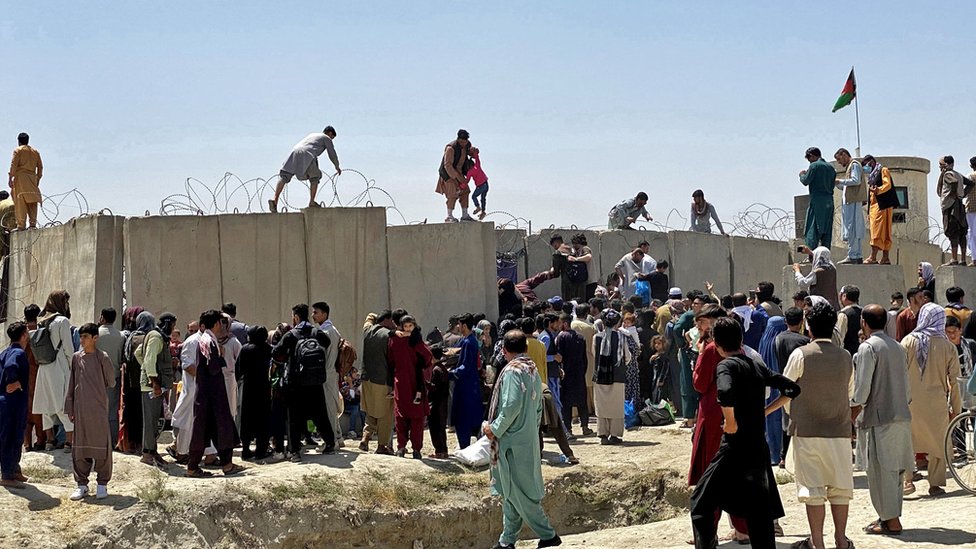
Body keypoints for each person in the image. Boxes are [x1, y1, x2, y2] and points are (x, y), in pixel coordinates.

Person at [689, 317, 800, 549]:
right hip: (757, 448)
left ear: (717, 344)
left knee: (700, 503)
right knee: (759, 512)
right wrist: (766, 410)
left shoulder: (726, 366)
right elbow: (792, 389)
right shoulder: (756, 365)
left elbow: (725, 392)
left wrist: (730, 422)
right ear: (741, 340)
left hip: (733, 446)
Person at [782, 302, 855, 549]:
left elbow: (786, 390)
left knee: (812, 490)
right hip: (839, 431)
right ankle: (841, 540)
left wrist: (794, 414)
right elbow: (850, 392)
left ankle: (817, 542)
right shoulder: (846, 357)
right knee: (840, 488)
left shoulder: (800, 355)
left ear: (808, 327)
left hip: (807, 431)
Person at [484, 330, 561, 549]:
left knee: (517, 492)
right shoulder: (531, 368)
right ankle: (507, 539)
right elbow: (537, 408)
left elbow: (510, 406)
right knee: (510, 491)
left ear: (504, 350)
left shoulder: (512, 371)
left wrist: (494, 429)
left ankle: (548, 534)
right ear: (526, 348)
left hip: (510, 442)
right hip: (526, 438)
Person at [852, 305, 913, 536]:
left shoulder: (868, 348)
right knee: (895, 472)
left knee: (881, 473)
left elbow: (862, 391)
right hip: (901, 416)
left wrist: (851, 408)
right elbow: (907, 389)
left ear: (864, 322)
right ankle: (889, 517)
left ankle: (891, 521)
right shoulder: (897, 347)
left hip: (879, 419)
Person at [901, 302, 962, 496]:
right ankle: (935, 484)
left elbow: (898, 373)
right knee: (938, 443)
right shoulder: (948, 346)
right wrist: (957, 409)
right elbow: (955, 381)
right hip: (936, 404)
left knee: (907, 441)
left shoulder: (907, 341)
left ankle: (907, 481)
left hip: (909, 402)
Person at [271, 304, 335, 463]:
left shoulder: (291, 335)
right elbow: (327, 342)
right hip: (315, 380)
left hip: (296, 382)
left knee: (294, 416)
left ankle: (295, 452)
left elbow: (276, 352)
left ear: (296, 317)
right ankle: (329, 443)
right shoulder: (316, 332)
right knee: (320, 413)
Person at [65, 323, 116, 500]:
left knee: (101, 445)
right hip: (80, 409)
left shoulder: (103, 357)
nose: (82, 340)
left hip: (98, 408)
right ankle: (81, 484)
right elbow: (72, 383)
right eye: (81, 337)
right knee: (80, 447)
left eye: (85, 337)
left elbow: (111, 381)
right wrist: (69, 406)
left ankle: (102, 484)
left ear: (95, 338)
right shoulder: (76, 358)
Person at [32, 290, 75, 449]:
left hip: (44, 367)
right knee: (63, 404)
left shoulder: (42, 321)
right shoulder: (62, 321)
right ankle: (69, 441)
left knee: (47, 405)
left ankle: (50, 441)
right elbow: (68, 348)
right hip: (59, 366)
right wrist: (73, 366)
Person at [135, 312, 177, 467]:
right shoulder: (156, 337)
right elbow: (149, 358)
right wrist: (153, 380)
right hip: (152, 386)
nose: (173, 328)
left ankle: (153, 451)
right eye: (173, 325)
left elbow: (139, 353)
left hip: (156, 385)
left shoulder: (158, 336)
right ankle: (147, 454)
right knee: (150, 421)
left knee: (156, 420)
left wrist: (147, 369)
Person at [268, 126, 341, 212]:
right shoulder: (326, 138)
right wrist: (337, 166)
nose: (331, 139)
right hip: (308, 153)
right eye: (332, 137)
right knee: (315, 177)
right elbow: (332, 153)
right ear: (330, 133)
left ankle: (275, 200)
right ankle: (312, 202)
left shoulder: (313, 135)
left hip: (295, 152)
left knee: (285, 176)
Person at [388, 316, 432, 458]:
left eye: (410, 326)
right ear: (401, 326)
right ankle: (411, 448)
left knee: (404, 416)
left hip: (404, 382)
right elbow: (428, 357)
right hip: (411, 383)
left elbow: (390, 359)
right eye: (405, 326)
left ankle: (406, 447)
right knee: (413, 417)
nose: (407, 329)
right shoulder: (414, 341)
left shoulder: (395, 339)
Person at [774, 307, 811, 467]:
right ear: (802, 322)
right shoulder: (805, 341)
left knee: (786, 421)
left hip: (784, 382)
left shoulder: (778, 338)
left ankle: (783, 456)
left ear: (785, 321)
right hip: (801, 384)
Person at [592, 310, 630, 445]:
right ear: (617, 323)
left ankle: (602, 434)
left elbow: (594, 353)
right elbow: (627, 357)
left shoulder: (596, 337)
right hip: (617, 376)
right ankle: (614, 435)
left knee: (601, 405)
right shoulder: (621, 337)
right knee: (616, 406)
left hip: (600, 375)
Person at [0, 322, 30, 489]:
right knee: (10, 437)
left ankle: (14, 470)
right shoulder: (18, 353)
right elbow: (11, 366)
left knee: (16, 436)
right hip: (12, 403)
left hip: (7, 402)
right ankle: (7, 475)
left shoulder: (5, 352)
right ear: (24, 335)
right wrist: (14, 382)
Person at [360, 311, 395, 455]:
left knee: (371, 410)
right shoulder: (389, 335)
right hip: (382, 380)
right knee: (385, 414)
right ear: (387, 320)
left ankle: (365, 437)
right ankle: (382, 446)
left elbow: (369, 316)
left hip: (366, 378)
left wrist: (378, 317)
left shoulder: (367, 330)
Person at [312, 301, 344, 448]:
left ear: (324, 314)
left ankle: (332, 441)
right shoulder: (333, 329)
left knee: (328, 408)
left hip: (325, 372)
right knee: (331, 406)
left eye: (316, 312)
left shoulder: (325, 332)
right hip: (331, 372)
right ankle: (338, 436)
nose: (313, 315)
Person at [237, 325, 271, 460]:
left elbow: (239, 369)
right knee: (263, 419)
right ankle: (261, 450)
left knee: (246, 419)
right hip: (264, 388)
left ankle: (245, 449)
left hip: (248, 388)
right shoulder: (268, 349)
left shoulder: (245, 349)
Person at [758, 315, 787, 466]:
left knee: (770, 418)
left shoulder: (763, 341)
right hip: (781, 387)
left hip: (767, 388)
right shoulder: (781, 341)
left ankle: (772, 453)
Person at [452, 313, 483, 449]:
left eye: (459, 324)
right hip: (472, 385)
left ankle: (464, 448)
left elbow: (465, 366)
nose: (458, 327)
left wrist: (450, 374)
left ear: (464, 325)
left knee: (463, 419)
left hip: (465, 387)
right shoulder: (470, 340)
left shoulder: (468, 342)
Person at [95, 308, 124, 455]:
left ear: (102, 317)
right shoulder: (121, 335)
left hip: (95, 377)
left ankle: (97, 441)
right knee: (112, 411)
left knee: (96, 409)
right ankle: (111, 441)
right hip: (114, 376)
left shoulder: (96, 334)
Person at [799, 147, 837, 250]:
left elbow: (806, 181)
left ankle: (811, 254)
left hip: (817, 202)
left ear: (812, 156)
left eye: (809, 159)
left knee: (813, 228)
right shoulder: (831, 168)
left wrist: (802, 175)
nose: (809, 161)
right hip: (829, 201)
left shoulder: (814, 166)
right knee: (827, 230)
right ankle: (825, 254)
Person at [556, 314, 588, 437]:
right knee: (582, 401)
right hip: (579, 373)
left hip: (566, 374)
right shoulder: (580, 338)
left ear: (565, 324)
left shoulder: (561, 337)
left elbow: (559, 356)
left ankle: (568, 428)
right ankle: (585, 426)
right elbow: (584, 358)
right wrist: (583, 370)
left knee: (566, 402)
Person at [435, 129, 477, 223]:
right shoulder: (451, 148)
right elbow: (447, 165)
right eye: (461, 142)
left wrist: (474, 151)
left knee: (465, 191)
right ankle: (449, 216)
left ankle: (465, 215)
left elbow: (469, 152)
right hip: (448, 174)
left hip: (459, 172)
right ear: (458, 139)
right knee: (452, 194)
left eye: (465, 142)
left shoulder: (467, 145)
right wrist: (457, 177)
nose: (463, 144)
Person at [833, 148, 866, 264]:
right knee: (853, 229)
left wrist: (840, 181)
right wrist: (838, 184)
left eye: (839, 159)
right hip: (850, 201)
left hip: (853, 202)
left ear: (844, 155)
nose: (839, 162)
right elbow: (849, 186)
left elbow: (855, 181)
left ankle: (853, 255)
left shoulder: (854, 165)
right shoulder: (850, 167)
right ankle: (856, 255)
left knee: (853, 229)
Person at [937, 155, 971, 265]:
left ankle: (954, 258)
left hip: (951, 206)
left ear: (946, 164)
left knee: (953, 231)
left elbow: (954, 182)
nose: (940, 167)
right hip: (959, 204)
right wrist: (962, 194)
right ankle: (963, 259)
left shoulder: (948, 174)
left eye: (941, 164)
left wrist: (953, 193)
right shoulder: (958, 174)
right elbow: (970, 183)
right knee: (961, 232)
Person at [22, 304, 46, 451]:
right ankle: (41, 439)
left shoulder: (21, 332)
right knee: (38, 405)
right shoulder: (40, 332)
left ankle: (27, 442)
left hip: (22, 372)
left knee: (26, 406)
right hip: (37, 371)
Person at [7, 133, 43, 230]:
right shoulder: (35, 152)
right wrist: (37, 178)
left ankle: (21, 225)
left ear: (18, 141)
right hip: (32, 177)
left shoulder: (18, 150)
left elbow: (14, 165)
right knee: (32, 200)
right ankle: (32, 224)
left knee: (20, 201)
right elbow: (40, 167)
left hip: (21, 178)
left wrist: (10, 178)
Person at [863, 155, 894, 264]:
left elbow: (887, 184)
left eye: (866, 165)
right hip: (875, 206)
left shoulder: (882, 170)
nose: (865, 168)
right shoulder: (872, 176)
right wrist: (868, 211)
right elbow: (870, 196)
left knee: (881, 231)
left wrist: (878, 190)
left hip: (883, 204)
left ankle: (874, 257)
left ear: (871, 162)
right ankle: (884, 258)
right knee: (877, 230)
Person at [571, 304, 597, 424]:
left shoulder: (571, 325)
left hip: (573, 358)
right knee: (589, 384)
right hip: (589, 357)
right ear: (586, 314)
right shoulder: (591, 327)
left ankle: (575, 412)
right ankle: (590, 408)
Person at [566, 233, 597, 301]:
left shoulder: (584, 248)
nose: (574, 245)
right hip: (584, 282)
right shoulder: (578, 251)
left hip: (590, 282)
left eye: (575, 243)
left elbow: (589, 256)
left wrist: (576, 259)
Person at [837, 285, 863, 358]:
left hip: (848, 356)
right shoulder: (864, 312)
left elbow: (839, 338)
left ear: (844, 296)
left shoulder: (843, 314)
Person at [467, 151, 490, 220]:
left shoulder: (469, 172)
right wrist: (474, 154)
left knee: (474, 196)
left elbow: (467, 181)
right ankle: (483, 211)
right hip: (486, 184)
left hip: (480, 186)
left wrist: (461, 186)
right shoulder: (477, 166)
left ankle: (478, 207)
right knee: (483, 198)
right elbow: (477, 158)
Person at [966, 155, 976, 264]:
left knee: (972, 234)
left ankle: (974, 259)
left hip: (972, 207)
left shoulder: (971, 176)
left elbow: (966, 191)